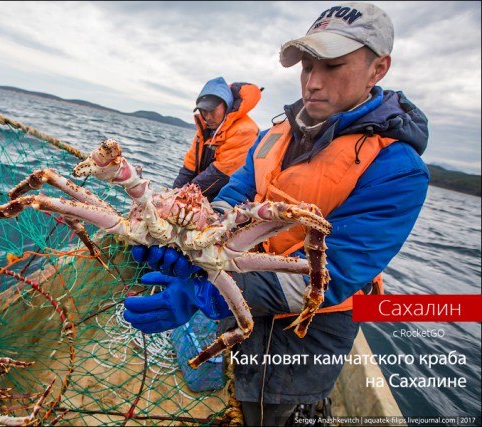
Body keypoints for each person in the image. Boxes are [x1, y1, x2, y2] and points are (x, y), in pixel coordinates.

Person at [124, 2, 430, 426]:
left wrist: (208, 292)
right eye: (307, 66)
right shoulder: (274, 134)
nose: (313, 83)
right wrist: (194, 242)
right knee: (237, 381)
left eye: (332, 66)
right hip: (238, 281)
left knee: (264, 409)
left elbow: (335, 273)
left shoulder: (398, 169)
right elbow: (233, 193)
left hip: (307, 332)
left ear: (378, 69)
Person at [173, 76, 261, 201]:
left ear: (226, 106)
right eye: (204, 111)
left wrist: (182, 198)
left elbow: (219, 175)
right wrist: (172, 195)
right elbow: (188, 168)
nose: (208, 117)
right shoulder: (205, 130)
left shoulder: (245, 130)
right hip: (202, 195)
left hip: (229, 200)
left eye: (212, 111)